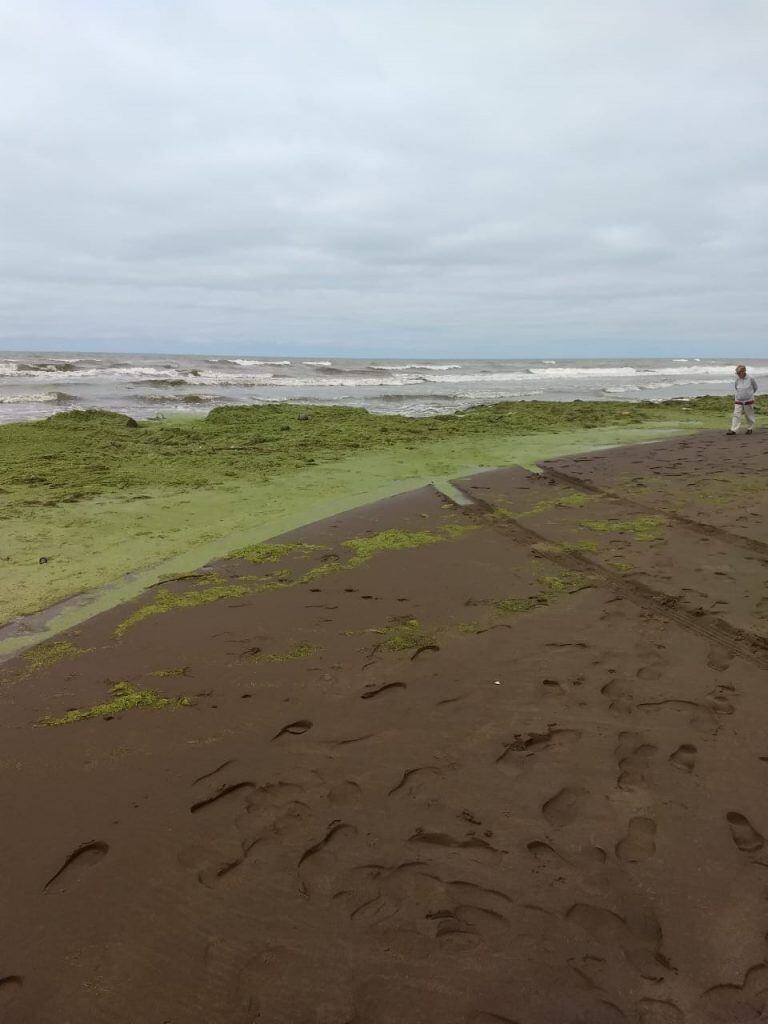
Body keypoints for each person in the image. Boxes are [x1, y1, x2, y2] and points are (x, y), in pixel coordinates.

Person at [726, 365, 758, 435]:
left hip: (748, 400)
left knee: (749, 415)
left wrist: (749, 395)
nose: (738, 374)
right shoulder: (737, 379)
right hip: (738, 400)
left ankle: (750, 428)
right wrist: (740, 395)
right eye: (737, 373)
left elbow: (755, 388)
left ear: (744, 372)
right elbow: (736, 388)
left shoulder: (751, 379)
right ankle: (733, 430)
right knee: (736, 414)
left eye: (739, 373)